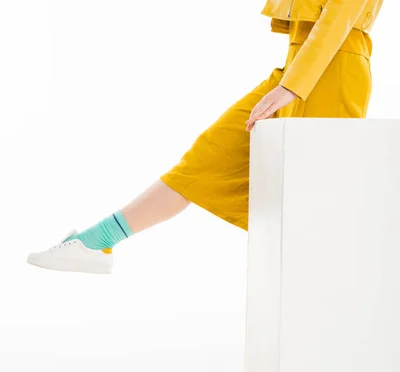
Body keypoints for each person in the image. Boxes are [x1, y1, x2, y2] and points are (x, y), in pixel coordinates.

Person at [27, 0, 384, 274]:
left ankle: (96, 242)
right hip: (302, 68)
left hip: (328, 73)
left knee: (307, 198)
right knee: (210, 155)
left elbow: (338, 18)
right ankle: (97, 242)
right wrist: (291, 82)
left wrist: (291, 88)